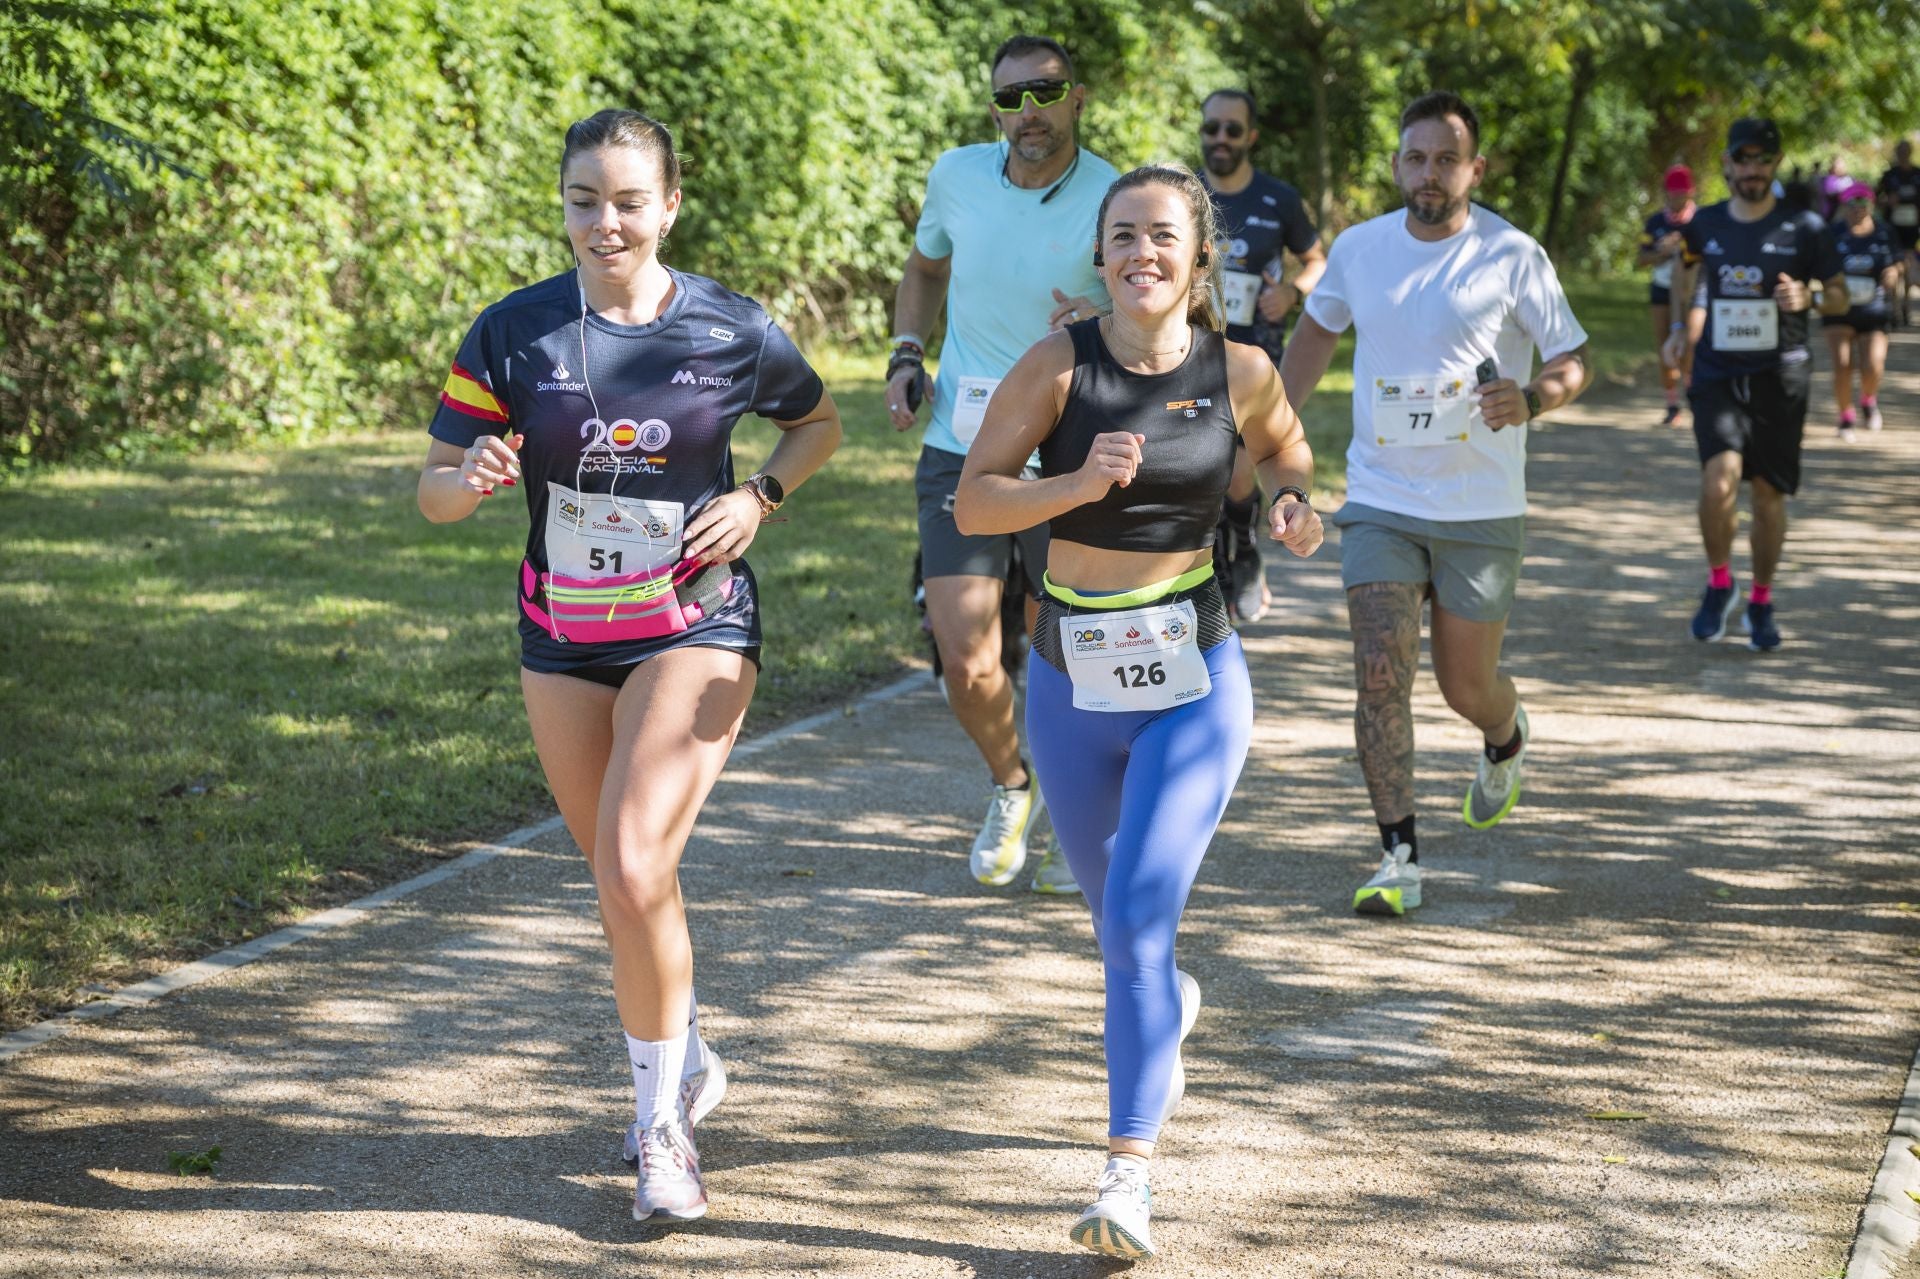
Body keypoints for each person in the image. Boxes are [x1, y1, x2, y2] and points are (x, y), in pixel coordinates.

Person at [417, 109, 841, 1222]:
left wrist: (760, 497)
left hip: (692, 625)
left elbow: (818, 423)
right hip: (562, 634)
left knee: (637, 860)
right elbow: (432, 490)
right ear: (561, 203)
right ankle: (686, 1051)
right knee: (617, 880)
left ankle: (662, 1127)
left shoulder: (732, 328)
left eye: (628, 200)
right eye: (583, 200)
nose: (605, 222)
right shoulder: (513, 333)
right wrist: (474, 476)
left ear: (670, 204)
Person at [956, 163, 1323, 1259]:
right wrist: (1073, 484)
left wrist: (1296, 503)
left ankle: (1127, 1176)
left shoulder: (1242, 369)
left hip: (1195, 683)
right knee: (1122, 931)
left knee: (1136, 927)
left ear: (1199, 256)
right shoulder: (1056, 370)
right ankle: (1165, 1001)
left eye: (1163, 235)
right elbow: (978, 495)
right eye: (1121, 236)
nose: (1140, 253)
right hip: (1071, 686)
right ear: (1101, 256)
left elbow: (1287, 451)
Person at [1279, 91, 1590, 917]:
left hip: (1480, 507)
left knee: (1464, 685)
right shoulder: (1360, 250)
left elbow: (1572, 361)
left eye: (1446, 159)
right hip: (1381, 498)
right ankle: (1398, 854)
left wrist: (1532, 399)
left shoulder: (1513, 254)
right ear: (1397, 166)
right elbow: (1313, 337)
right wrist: (1262, 428)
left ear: (1474, 169)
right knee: (1379, 673)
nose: (1429, 173)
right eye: (1415, 158)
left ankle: (1505, 732)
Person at [887, 34, 1120, 895]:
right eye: (1011, 98)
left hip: (1065, 450)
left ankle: (1074, 808)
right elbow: (924, 267)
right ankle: (1012, 784)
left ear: (1076, 96)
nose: (1029, 113)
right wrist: (907, 352)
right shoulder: (955, 175)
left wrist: (1098, 316)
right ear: (994, 109)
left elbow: (1162, 298)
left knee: (1066, 651)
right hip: (962, 444)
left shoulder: (1112, 196)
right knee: (967, 658)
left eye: (1044, 93)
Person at [1664, 117, 1847, 653]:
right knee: (1717, 482)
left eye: (1761, 160)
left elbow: (1840, 296)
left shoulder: (1806, 227)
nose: (1751, 169)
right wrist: (1679, 329)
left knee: (1767, 497)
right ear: (1727, 164)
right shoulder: (1707, 223)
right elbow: (1686, 269)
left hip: (1781, 374)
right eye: (1741, 160)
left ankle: (1762, 599)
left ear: (1774, 164)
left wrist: (1809, 298)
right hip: (1720, 373)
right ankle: (1720, 582)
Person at [1197, 88, 1326, 623]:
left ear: (1250, 136)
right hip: (1196, 351)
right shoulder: (1183, 195)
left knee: (1244, 464)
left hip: (1258, 356)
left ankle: (1243, 542)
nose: (1220, 139)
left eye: (1232, 129)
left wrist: (1293, 292)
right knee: (1211, 466)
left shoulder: (1278, 198)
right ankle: (1215, 564)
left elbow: (1317, 259)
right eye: (1211, 129)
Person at [1825, 181, 1901, 440]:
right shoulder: (1832, 233)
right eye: (1852, 204)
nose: (1857, 209)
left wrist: (1893, 273)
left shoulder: (1884, 233)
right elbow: (1817, 265)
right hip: (1839, 309)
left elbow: (1897, 263)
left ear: (1872, 205)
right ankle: (1845, 416)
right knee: (1842, 365)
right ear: (1844, 206)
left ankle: (1868, 398)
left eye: (1863, 203)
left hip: (1874, 308)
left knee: (1872, 365)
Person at [1638, 164, 1696, 426]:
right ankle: (1672, 404)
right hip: (1661, 289)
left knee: (1691, 346)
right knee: (1665, 346)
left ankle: (1695, 396)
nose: (1677, 199)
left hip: (1691, 291)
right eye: (1673, 194)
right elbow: (1641, 257)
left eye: (1681, 193)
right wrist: (1660, 252)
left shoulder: (1699, 219)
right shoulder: (1655, 222)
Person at [1876, 139, 1920, 325]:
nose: (1903, 153)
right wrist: (1887, 202)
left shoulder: (1918, 173)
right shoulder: (1889, 174)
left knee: (1908, 263)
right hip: (1892, 226)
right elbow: (1876, 198)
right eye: (1900, 150)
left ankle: (1906, 305)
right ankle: (1894, 307)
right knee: (1894, 264)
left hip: (1912, 226)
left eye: (1906, 150)